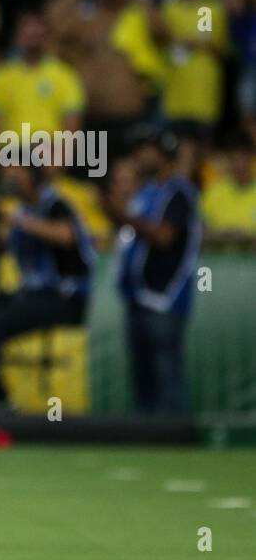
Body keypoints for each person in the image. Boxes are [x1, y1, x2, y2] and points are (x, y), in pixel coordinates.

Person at [0, 160, 96, 412]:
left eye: (17, 175)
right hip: (35, 294)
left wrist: (17, 220)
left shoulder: (55, 205)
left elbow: (66, 236)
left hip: (68, 294)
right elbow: (5, 247)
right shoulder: (21, 210)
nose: (10, 181)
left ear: (33, 176)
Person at [103, 130, 201, 415]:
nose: (138, 155)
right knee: (144, 383)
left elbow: (164, 237)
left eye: (145, 148)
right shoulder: (147, 192)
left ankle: (176, 443)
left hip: (164, 299)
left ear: (162, 154)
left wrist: (123, 215)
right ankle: (148, 444)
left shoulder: (179, 192)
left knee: (167, 379)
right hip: (138, 298)